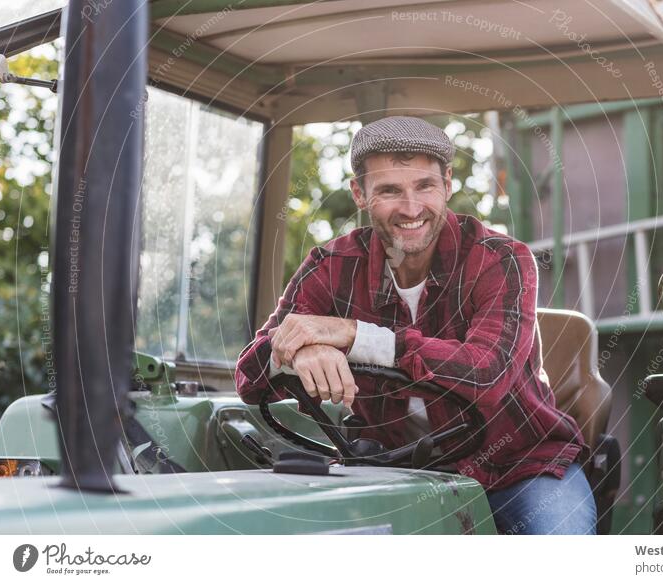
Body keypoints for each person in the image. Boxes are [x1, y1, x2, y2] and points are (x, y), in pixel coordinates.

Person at [235, 116, 596, 534]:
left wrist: (355, 336)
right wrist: (302, 350)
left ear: (447, 185)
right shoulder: (330, 267)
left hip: (517, 466)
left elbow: (487, 376)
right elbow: (249, 376)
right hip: (390, 471)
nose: (411, 208)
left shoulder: (501, 259)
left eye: (424, 186)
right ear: (360, 194)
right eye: (389, 190)